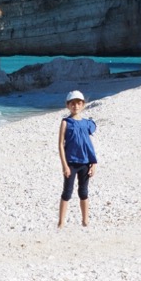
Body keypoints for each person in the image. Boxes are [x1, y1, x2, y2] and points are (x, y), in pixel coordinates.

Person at [58, 89, 97, 228]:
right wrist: (64, 165)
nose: (75, 106)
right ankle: (61, 222)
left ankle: (85, 221)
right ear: (67, 105)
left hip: (85, 163)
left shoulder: (87, 123)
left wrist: (93, 164)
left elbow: (89, 144)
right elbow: (60, 145)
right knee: (67, 192)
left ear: (83, 105)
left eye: (78, 103)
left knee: (83, 192)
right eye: (72, 103)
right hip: (71, 163)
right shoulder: (65, 122)